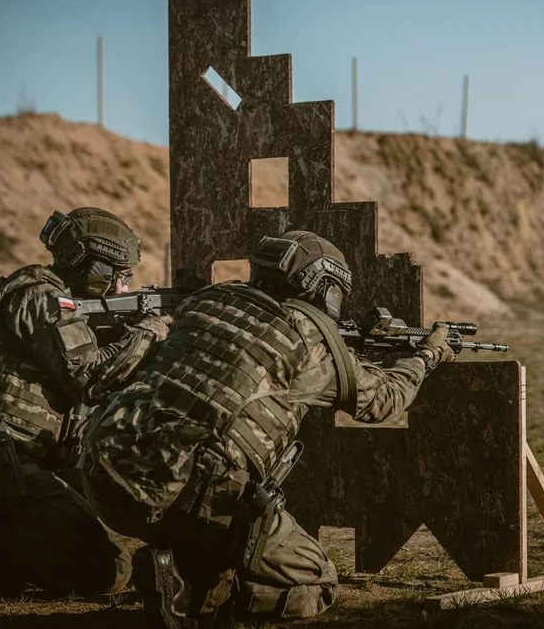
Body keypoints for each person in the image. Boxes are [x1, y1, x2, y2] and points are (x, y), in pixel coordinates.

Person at [78, 230, 455, 628]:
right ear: (324, 287)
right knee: (316, 583)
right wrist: (425, 357)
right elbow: (384, 400)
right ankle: (195, 600)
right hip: (185, 495)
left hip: (103, 476)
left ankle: (174, 565)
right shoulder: (313, 343)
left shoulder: (206, 301)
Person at [0, 207, 173, 598]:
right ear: (93, 269)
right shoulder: (39, 296)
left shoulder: (63, 300)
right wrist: (152, 328)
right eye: (119, 275)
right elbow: (91, 378)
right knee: (106, 571)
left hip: (28, 456)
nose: (124, 286)